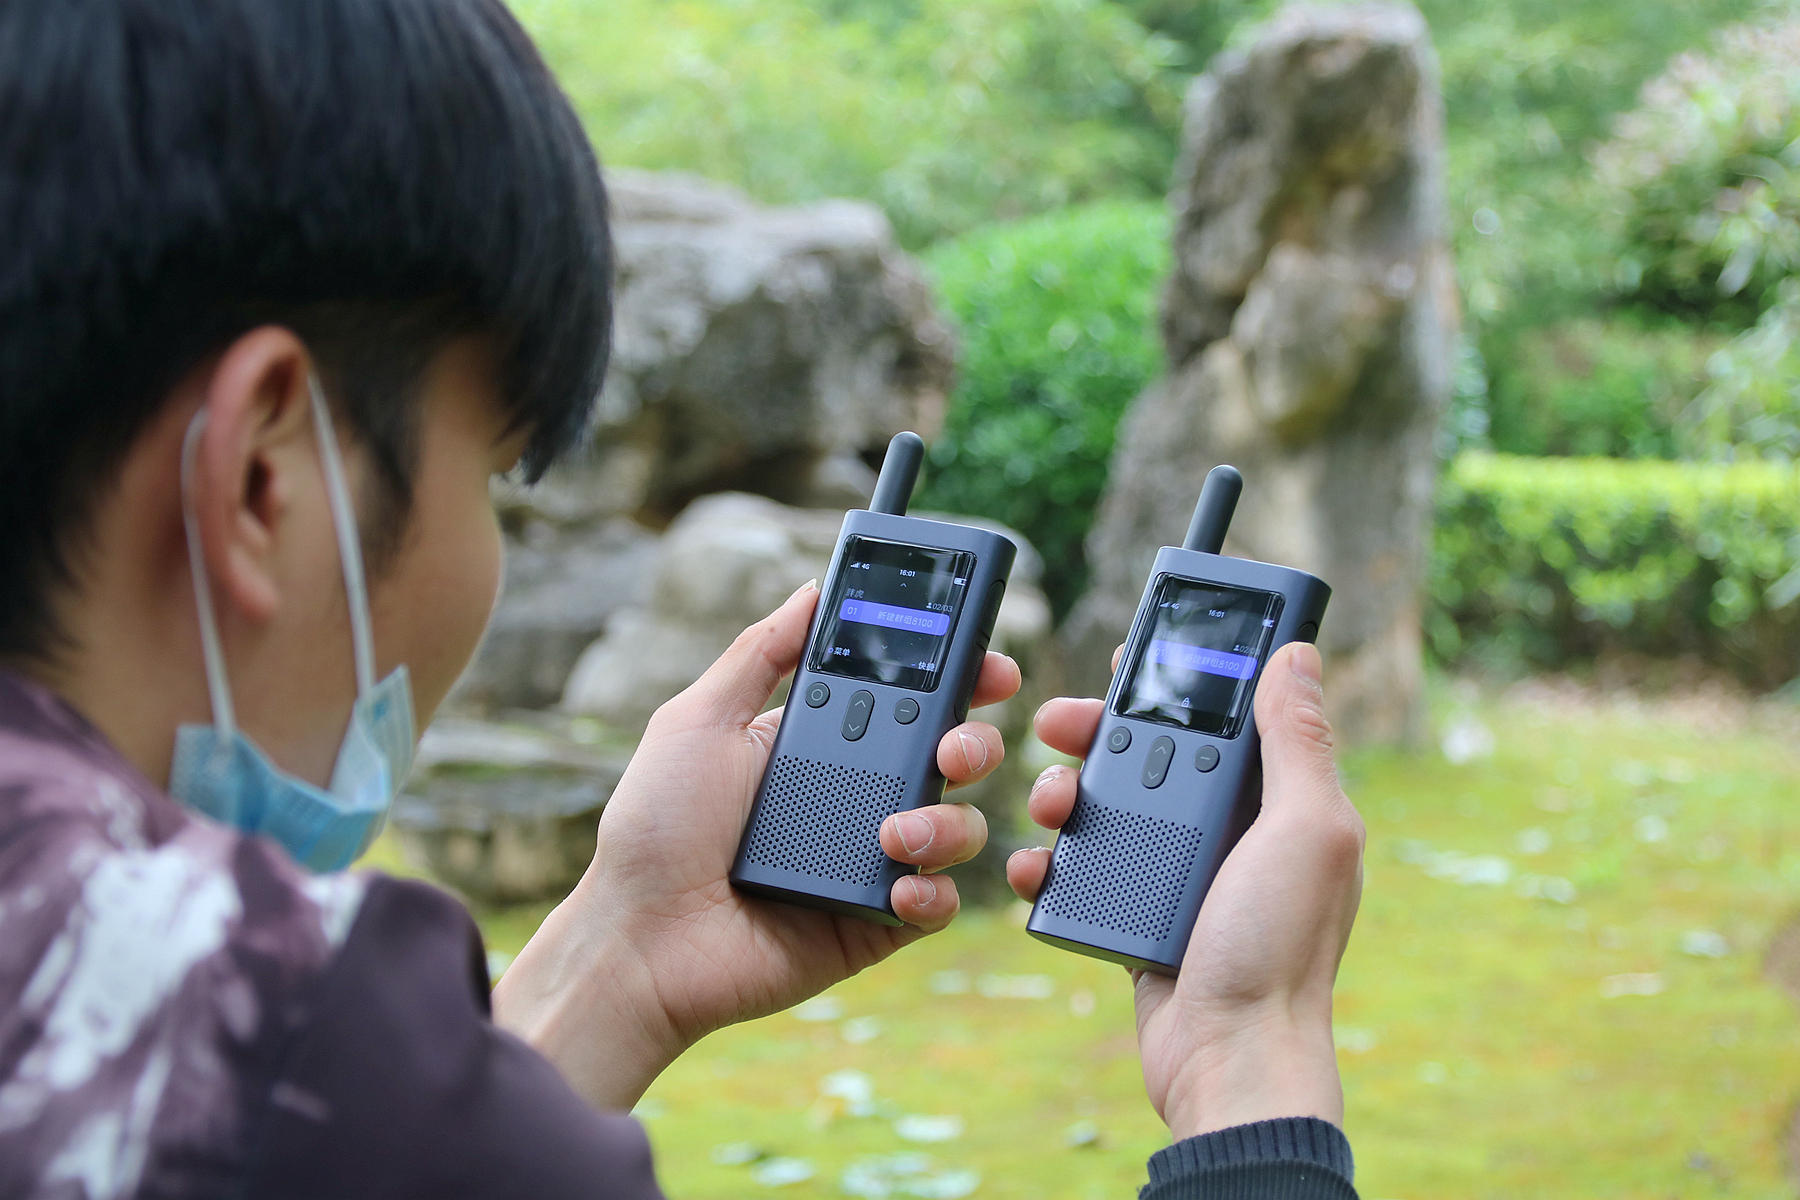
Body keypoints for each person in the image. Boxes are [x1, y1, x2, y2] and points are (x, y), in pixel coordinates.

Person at [0, 1, 1366, 1197]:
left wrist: (625, 955)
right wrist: (1247, 1064)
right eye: (495, 472)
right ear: (261, 477)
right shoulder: (288, 1055)